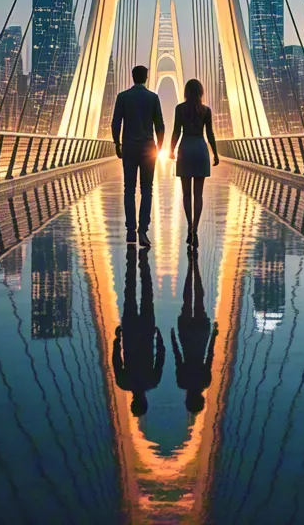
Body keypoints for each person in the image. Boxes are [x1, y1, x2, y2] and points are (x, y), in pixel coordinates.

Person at [111, 65, 164, 247]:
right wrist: (159, 147)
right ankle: (143, 231)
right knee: (147, 189)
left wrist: (117, 143)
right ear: (146, 77)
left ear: (132, 77)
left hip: (129, 147)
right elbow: (160, 127)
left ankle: (130, 231)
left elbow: (115, 123)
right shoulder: (153, 98)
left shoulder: (123, 97)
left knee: (129, 189)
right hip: (148, 148)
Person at [112, 248, 164, 418]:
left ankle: (143, 262)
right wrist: (117, 339)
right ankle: (132, 262)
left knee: (147, 293)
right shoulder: (123, 382)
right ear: (132, 402)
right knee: (129, 293)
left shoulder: (153, 381)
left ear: (145, 402)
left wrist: (159, 338)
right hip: (130, 333)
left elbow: (160, 358)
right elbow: (116, 360)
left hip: (147, 332)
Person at [170, 78, 219, 248]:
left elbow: (176, 131)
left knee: (186, 194)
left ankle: (189, 226)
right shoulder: (206, 110)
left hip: (185, 148)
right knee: (198, 195)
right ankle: (195, 229)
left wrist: (171, 149)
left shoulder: (179, 109)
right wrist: (215, 153)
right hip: (200, 148)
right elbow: (210, 134)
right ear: (200, 92)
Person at [171, 251, 218, 416]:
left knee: (199, 300)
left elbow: (210, 355)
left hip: (201, 336)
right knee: (187, 300)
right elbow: (178, 358)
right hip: (185, 336)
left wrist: (214, 335)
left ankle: (195, 270)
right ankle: (191, 269)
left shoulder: (206, 381)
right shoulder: (181, 382)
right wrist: (173, 339)